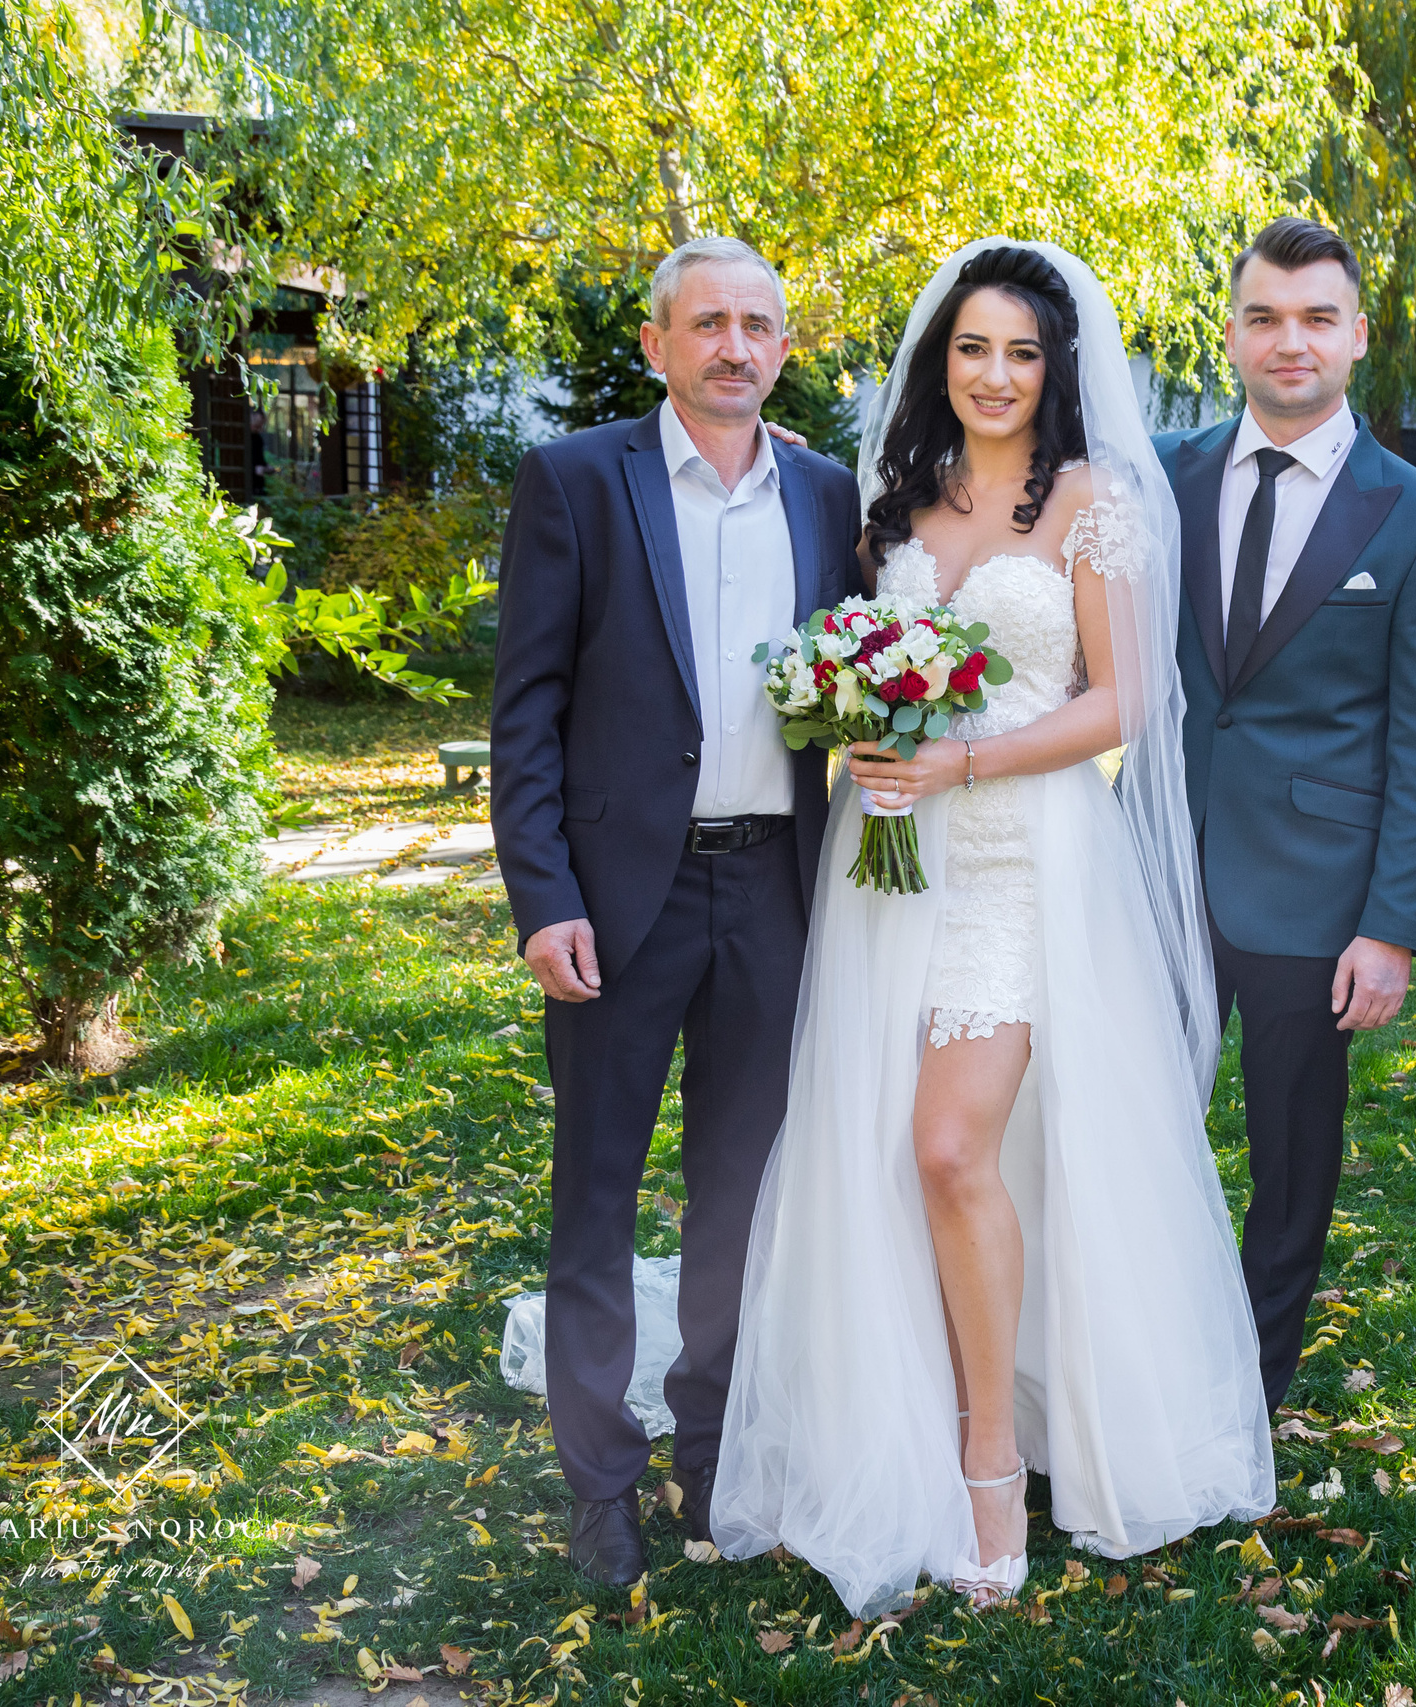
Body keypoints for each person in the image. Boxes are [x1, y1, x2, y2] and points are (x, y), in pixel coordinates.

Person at [705, 241, 1274, 1617]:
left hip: (1024, 857)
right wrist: (858, 723)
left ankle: (989, 1464)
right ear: (939, 361)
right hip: (890, 863)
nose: (997, 373)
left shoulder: (1090, 501)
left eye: (1023, 351)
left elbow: (1124, 700)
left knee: (950, 1144)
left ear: (1055, 367)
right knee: (881, 1144)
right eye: (973, 348)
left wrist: (966, 761)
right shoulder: (896, 508)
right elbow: (853, 667)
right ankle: (899, 1414)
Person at [489, 235, 866, 1586]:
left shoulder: (826, 491)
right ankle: (601, 1481)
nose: (734, 347)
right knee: (595, 1192)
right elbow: (526, 708)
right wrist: (544, 897)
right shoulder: (576, 481)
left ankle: (713, 1452)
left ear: (784, 346)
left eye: (758, 324)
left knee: (741, 1193)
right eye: (707, 323)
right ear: (657, 344)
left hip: (773, 886)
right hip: (616, 897)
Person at [1152, 217, 1416, 1413]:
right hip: (1155, 869)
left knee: (1289, 1162)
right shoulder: (1160, 476)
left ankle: (1248, 1390)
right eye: (1265, 317)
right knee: (1135, 1135)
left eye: (1316, 319)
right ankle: (1130, 1372)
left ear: (1357, 335)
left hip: (1317, 896)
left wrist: (1391, 927)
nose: (1290, 341)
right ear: (1233, 332)